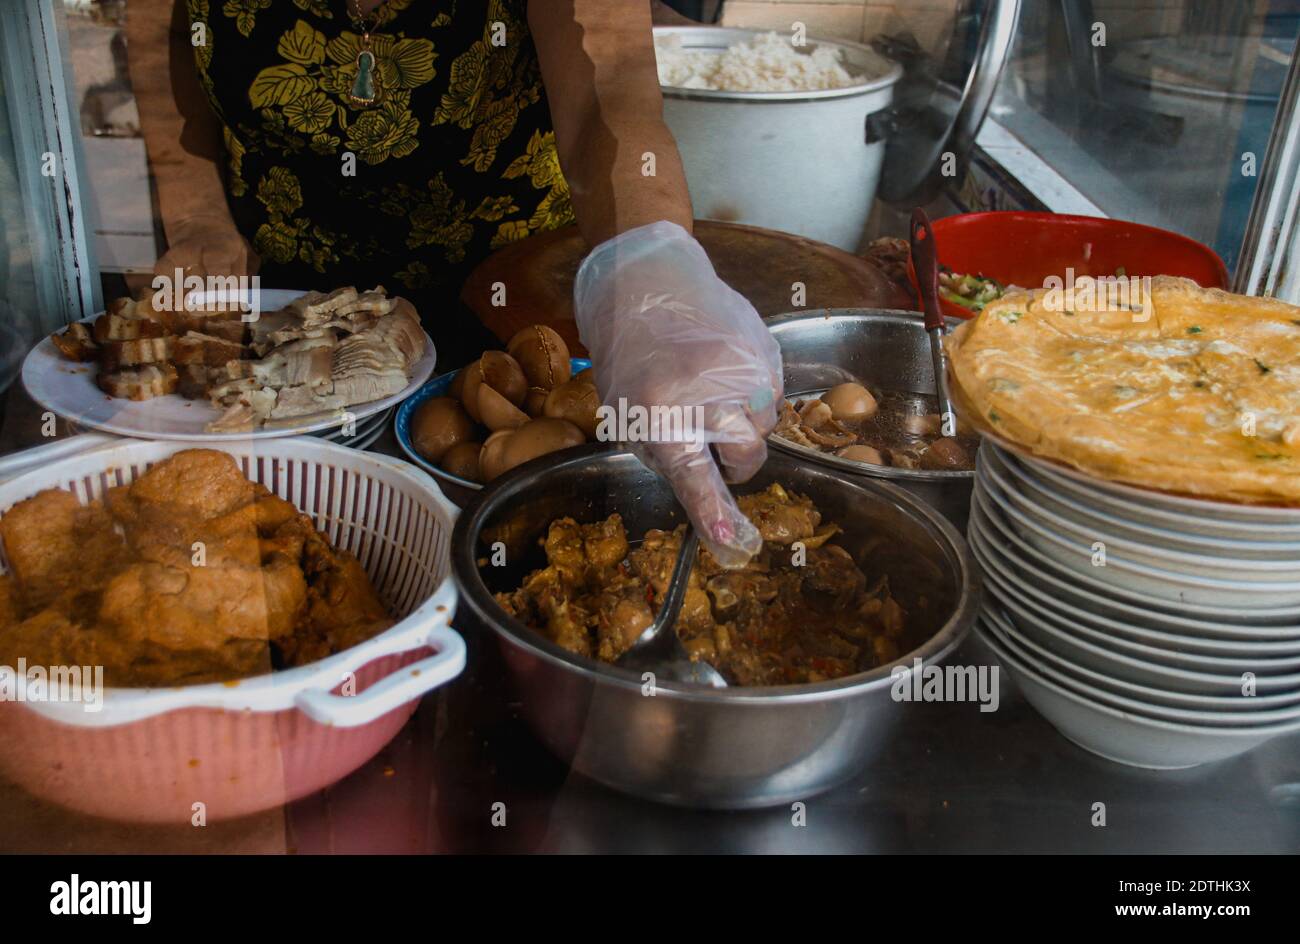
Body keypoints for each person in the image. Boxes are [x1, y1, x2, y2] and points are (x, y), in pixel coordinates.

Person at [128, 0, 781, 566]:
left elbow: (604, 91)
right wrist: (196, 220)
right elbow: (166, 34)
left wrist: (648, 268)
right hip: (289, 316)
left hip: (506, 306)